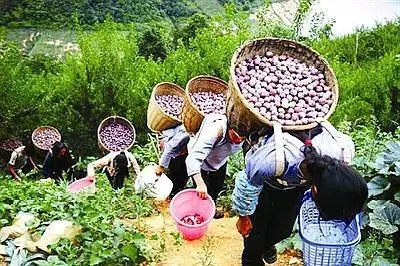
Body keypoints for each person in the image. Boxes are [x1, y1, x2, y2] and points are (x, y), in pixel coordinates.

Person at [232, 120, 368, 265]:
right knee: (256, 231)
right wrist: (243, 217)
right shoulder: (271, 162)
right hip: (264, 184)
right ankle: (252, 258)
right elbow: (247, 186)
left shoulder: (343, 152)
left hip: (294, 185)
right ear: (314, 190)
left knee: (283, 230)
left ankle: (266, 244)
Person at [186, 113, 246, 219]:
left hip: (219, 161)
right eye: (236, 136)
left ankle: (210, 210)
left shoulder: (247, 133)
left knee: (216, 186)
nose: (239, 140)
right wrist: (200, 184)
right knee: (203, 191)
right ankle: (199, 213)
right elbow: (192, 159)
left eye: (243, 138)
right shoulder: (215, 131)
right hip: (201, 160)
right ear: (229, 127)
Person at [154, 124, 190, 198]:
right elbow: (171, 146)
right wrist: (161, 166)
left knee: (181, 177)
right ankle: (173, 195)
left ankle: (176, 192)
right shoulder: (186, 130)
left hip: (179, 153)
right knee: (177, 176)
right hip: (176, 155)